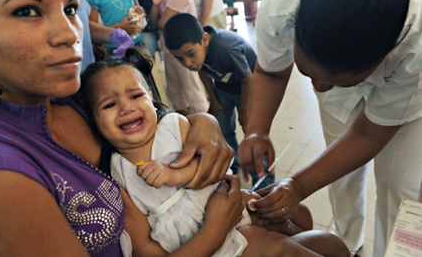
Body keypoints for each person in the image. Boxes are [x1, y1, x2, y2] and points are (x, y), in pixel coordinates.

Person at [0, 0, 248, 255]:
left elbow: (155, 125)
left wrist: (203, 125)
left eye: (71, 9)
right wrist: (216, 230)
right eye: (27, 11)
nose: (68, 33)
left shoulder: (65, 99)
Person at [76, 47, 351, 256]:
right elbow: (145, 248)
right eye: (109, 105)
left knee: (317, 231)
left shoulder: (175, 126)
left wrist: (172, 174)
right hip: (212, 246)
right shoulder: (117, 177)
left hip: (236, 210)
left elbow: (209, 168)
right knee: (280, 247)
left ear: (150, 96)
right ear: (93, 121)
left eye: (135, 96)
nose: (126, 107)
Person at [237, 0, 422, 256]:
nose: (318, 89)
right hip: (344, 67)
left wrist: (299, 185)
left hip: (409, 90)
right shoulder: (281, 3)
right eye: (308, 73)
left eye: (332, 81)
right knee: (340, 175)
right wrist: (257, 129)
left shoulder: (415, 45)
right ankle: (348, 243)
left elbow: (369, 134)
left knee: (400, 187)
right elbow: (271, 72)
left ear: (384, 57)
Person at [164, 13, 273, 188]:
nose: (188, 63)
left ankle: (264, 182)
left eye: (190, 54)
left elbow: (247, 77)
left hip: (249, 89)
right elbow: (203, 72)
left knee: (252, 133)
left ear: (205, 40)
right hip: (224, 87)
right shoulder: (198, 56)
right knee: (222, 128)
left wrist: (244, 112)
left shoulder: (226, 48)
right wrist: (213, 100)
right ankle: (232, 165)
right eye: (180, 59)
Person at [149, 0, 209, 115]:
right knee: (174, 90)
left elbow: (162, 23)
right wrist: (156, 4)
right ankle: (182, 121)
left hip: (184, 50)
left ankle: (206, 120)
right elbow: (153, 24)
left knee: (191, 88)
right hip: (171, 51)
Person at [86, 0, 158, 58]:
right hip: (113, 47)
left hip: (136, 43)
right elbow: (95, 31)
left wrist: (140, 13)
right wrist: (120, 27)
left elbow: (137, 9)